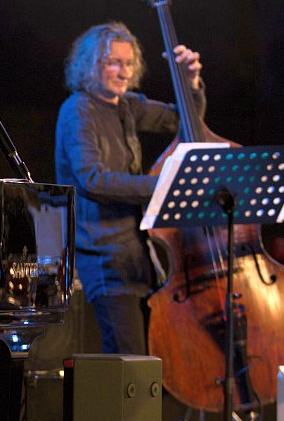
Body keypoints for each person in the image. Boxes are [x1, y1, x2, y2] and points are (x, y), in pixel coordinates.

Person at [54, 21, 205, 355]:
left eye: (128, 63)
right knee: (129, 362)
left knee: (155, 361)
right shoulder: (78, 110)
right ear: (91, 65)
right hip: (104, 256)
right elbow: (92, 178)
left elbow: (187, 123)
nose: (123, 72)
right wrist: (163, 185)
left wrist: (191, 84)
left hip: (139, 256)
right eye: (113, 62)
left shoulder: (127, 105)